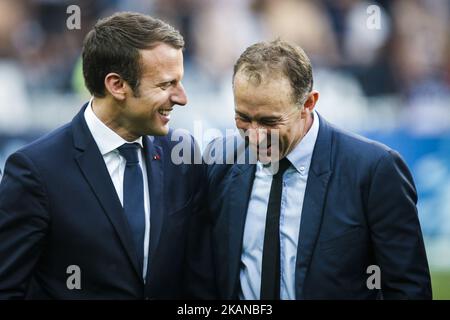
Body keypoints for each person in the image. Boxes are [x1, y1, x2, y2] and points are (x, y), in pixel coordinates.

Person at [205, 39, 432, 299]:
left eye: (270, 121)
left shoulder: (374, 169)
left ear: (308, 104)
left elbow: (408, 289)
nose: (255, 136)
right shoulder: (220, 163)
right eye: (243, 118)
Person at [0, 12, 205, 299]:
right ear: (116, 85)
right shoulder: (36, 171)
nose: (182, 97)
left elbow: (196, 277)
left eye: (179, 82)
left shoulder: (182, 157)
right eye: (165, 85)